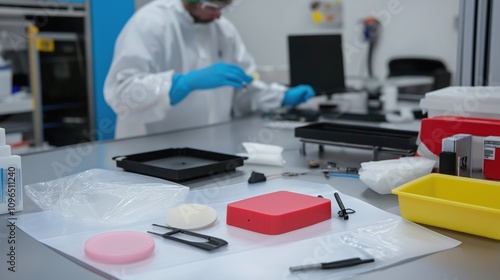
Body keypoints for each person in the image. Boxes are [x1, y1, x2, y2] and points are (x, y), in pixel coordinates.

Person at [104, 0, 315, 139]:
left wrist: (281, 96)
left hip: (212, 150)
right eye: (211, 7)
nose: (218, 16)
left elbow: (243, 89)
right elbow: (122, 95)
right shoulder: (150, 23)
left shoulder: (224, 30)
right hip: (150, 152)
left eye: (223, 8)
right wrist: (178, 84)